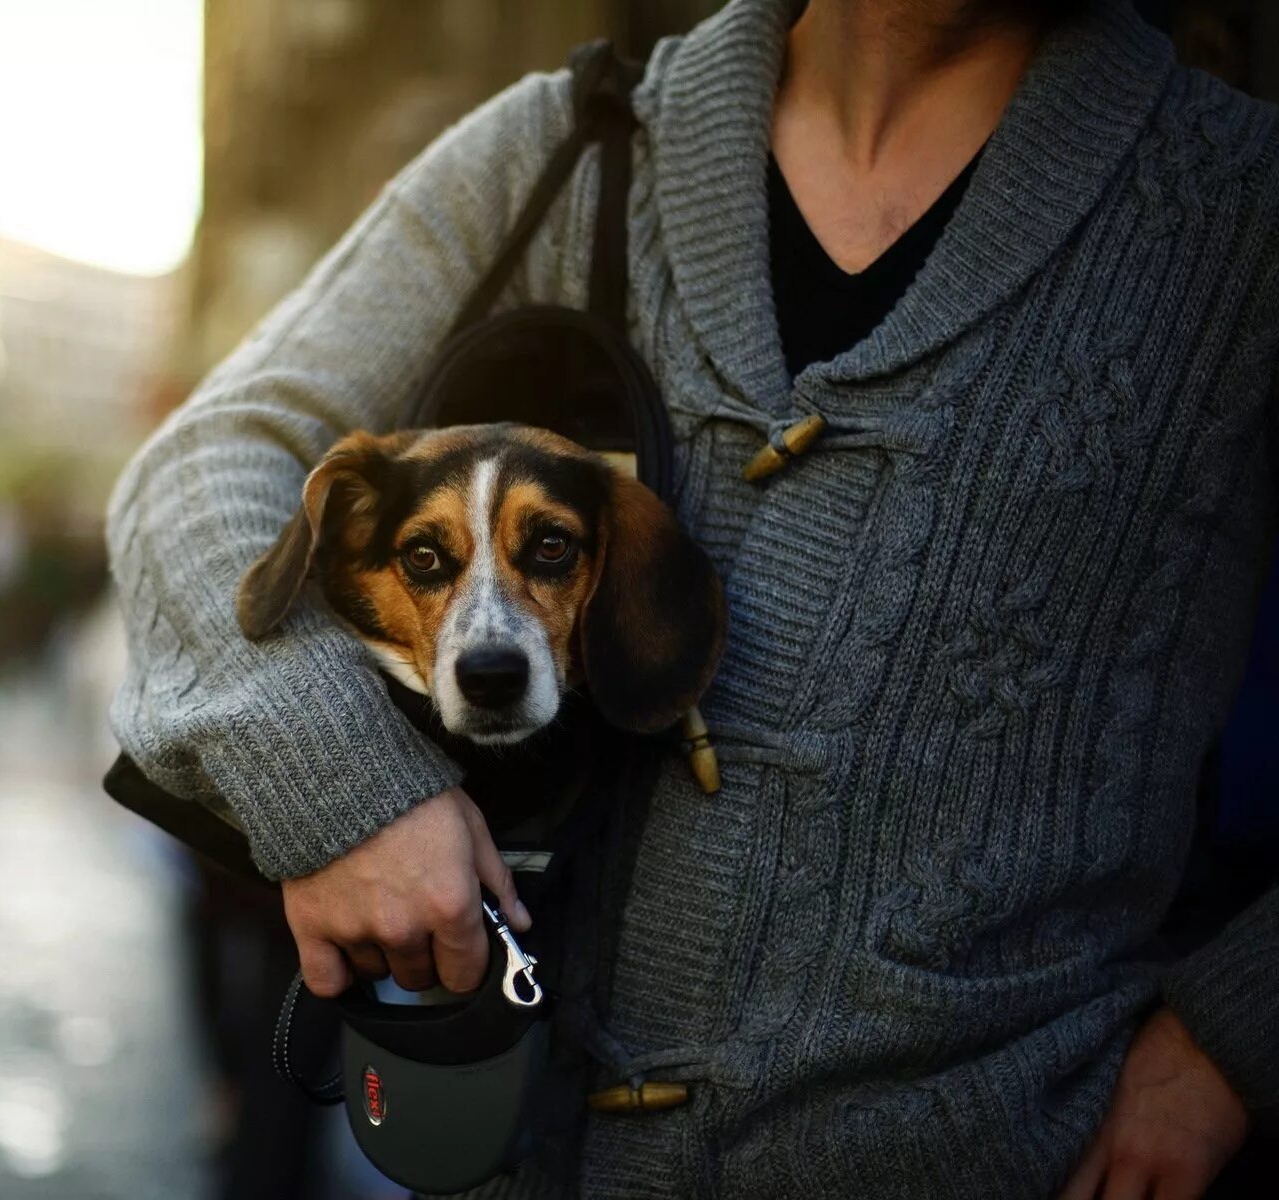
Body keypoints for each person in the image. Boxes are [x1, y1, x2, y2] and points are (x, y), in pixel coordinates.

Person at [106, 1, 1279, 1196]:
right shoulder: (569, 146)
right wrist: (347, 792)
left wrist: (1233, 1038)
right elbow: (200, 469)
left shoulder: (1240, 206)